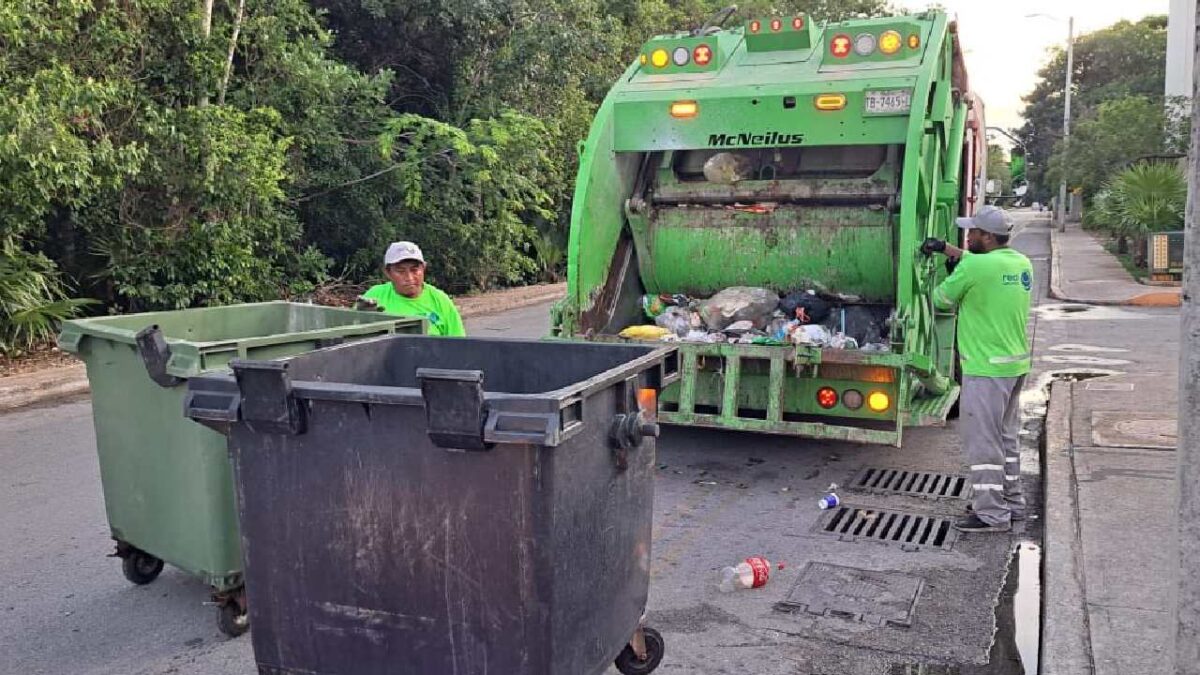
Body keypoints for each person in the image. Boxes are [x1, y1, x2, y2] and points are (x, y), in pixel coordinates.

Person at [921, 205, 1033, 533]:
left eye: (972, 232)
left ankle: (991, 515)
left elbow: (940, 300)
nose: (967, 236)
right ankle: (1013, 503)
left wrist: (945, 269)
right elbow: (979, 264)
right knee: (1006, 438)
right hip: (1013, 366)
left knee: (983, 445)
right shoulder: (1019, 263)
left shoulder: (976, 269)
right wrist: (946, 249)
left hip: (985, 370)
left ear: (986, 236)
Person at [357, 241, 466, 337]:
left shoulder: (441, 301)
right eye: (400, 271)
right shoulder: (374, 297)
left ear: (423, 268)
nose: (409, 278)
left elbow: (459, 346)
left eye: (414, 270)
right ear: (388, 272)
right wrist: (364, 317)